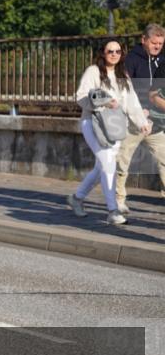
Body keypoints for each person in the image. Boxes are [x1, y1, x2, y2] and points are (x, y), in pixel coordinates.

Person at [67, 40, 150, 225]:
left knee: (101, 167)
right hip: (93, 123)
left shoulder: (123, 74)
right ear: (103, 53)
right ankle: (112, 211)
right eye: (110, 51)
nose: (114, 54)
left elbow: (132, 102)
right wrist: (104, 102)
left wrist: (141, 122)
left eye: (118, 51)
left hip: (115, 126)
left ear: (122, 54)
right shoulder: (94, 71)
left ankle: (77, 198)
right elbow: (81, 96)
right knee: (108, 163)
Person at [115, 23, 165, 210]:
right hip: (133, 121)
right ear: (144, 40)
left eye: (161, 43)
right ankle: (118, 201)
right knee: (123, 161)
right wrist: (138, 111)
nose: (158, 46)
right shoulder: (131, 61)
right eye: (154, 42)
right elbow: (125, 90)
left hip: (154, 121)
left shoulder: (162, 61)